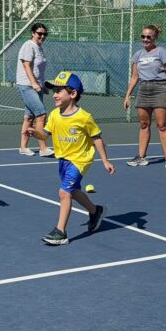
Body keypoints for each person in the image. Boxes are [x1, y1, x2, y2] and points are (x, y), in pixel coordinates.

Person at [26, 71, 115, 246]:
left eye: (59, 91)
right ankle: (95, 211)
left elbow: (97, 138)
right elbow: (45, 136)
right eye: (54, 91)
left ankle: (61, 232)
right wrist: (35, 132)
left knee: (64, 192)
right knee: (73, 191)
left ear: (73, 94)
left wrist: (105, 160)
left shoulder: (84, 117)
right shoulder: (54, 115)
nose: (55, 95)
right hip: (64, 160)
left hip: (80, 160)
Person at [123, 24, 166, 170]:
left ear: (155, 37)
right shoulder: (138, 55)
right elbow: (134, 77)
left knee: (162, 125)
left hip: (159, 89)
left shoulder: (161, 52)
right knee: (144, 124)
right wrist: (127, 95)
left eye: (148, 37)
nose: (145, 39)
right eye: (143, 36)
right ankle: (141, 157)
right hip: (143, 90)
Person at [16, 23, 54, 157]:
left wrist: (42, 85)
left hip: (36, 86)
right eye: (39, 34)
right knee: (41, 115)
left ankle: (23, 147)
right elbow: (26, 65)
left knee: (29, 117)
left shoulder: (39, 48)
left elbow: (38, 70)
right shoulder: (28, 45)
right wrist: (34, 83)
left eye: (44, 34)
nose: (42, 36)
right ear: (33, 33)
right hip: (27, 85)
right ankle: (43, 148)